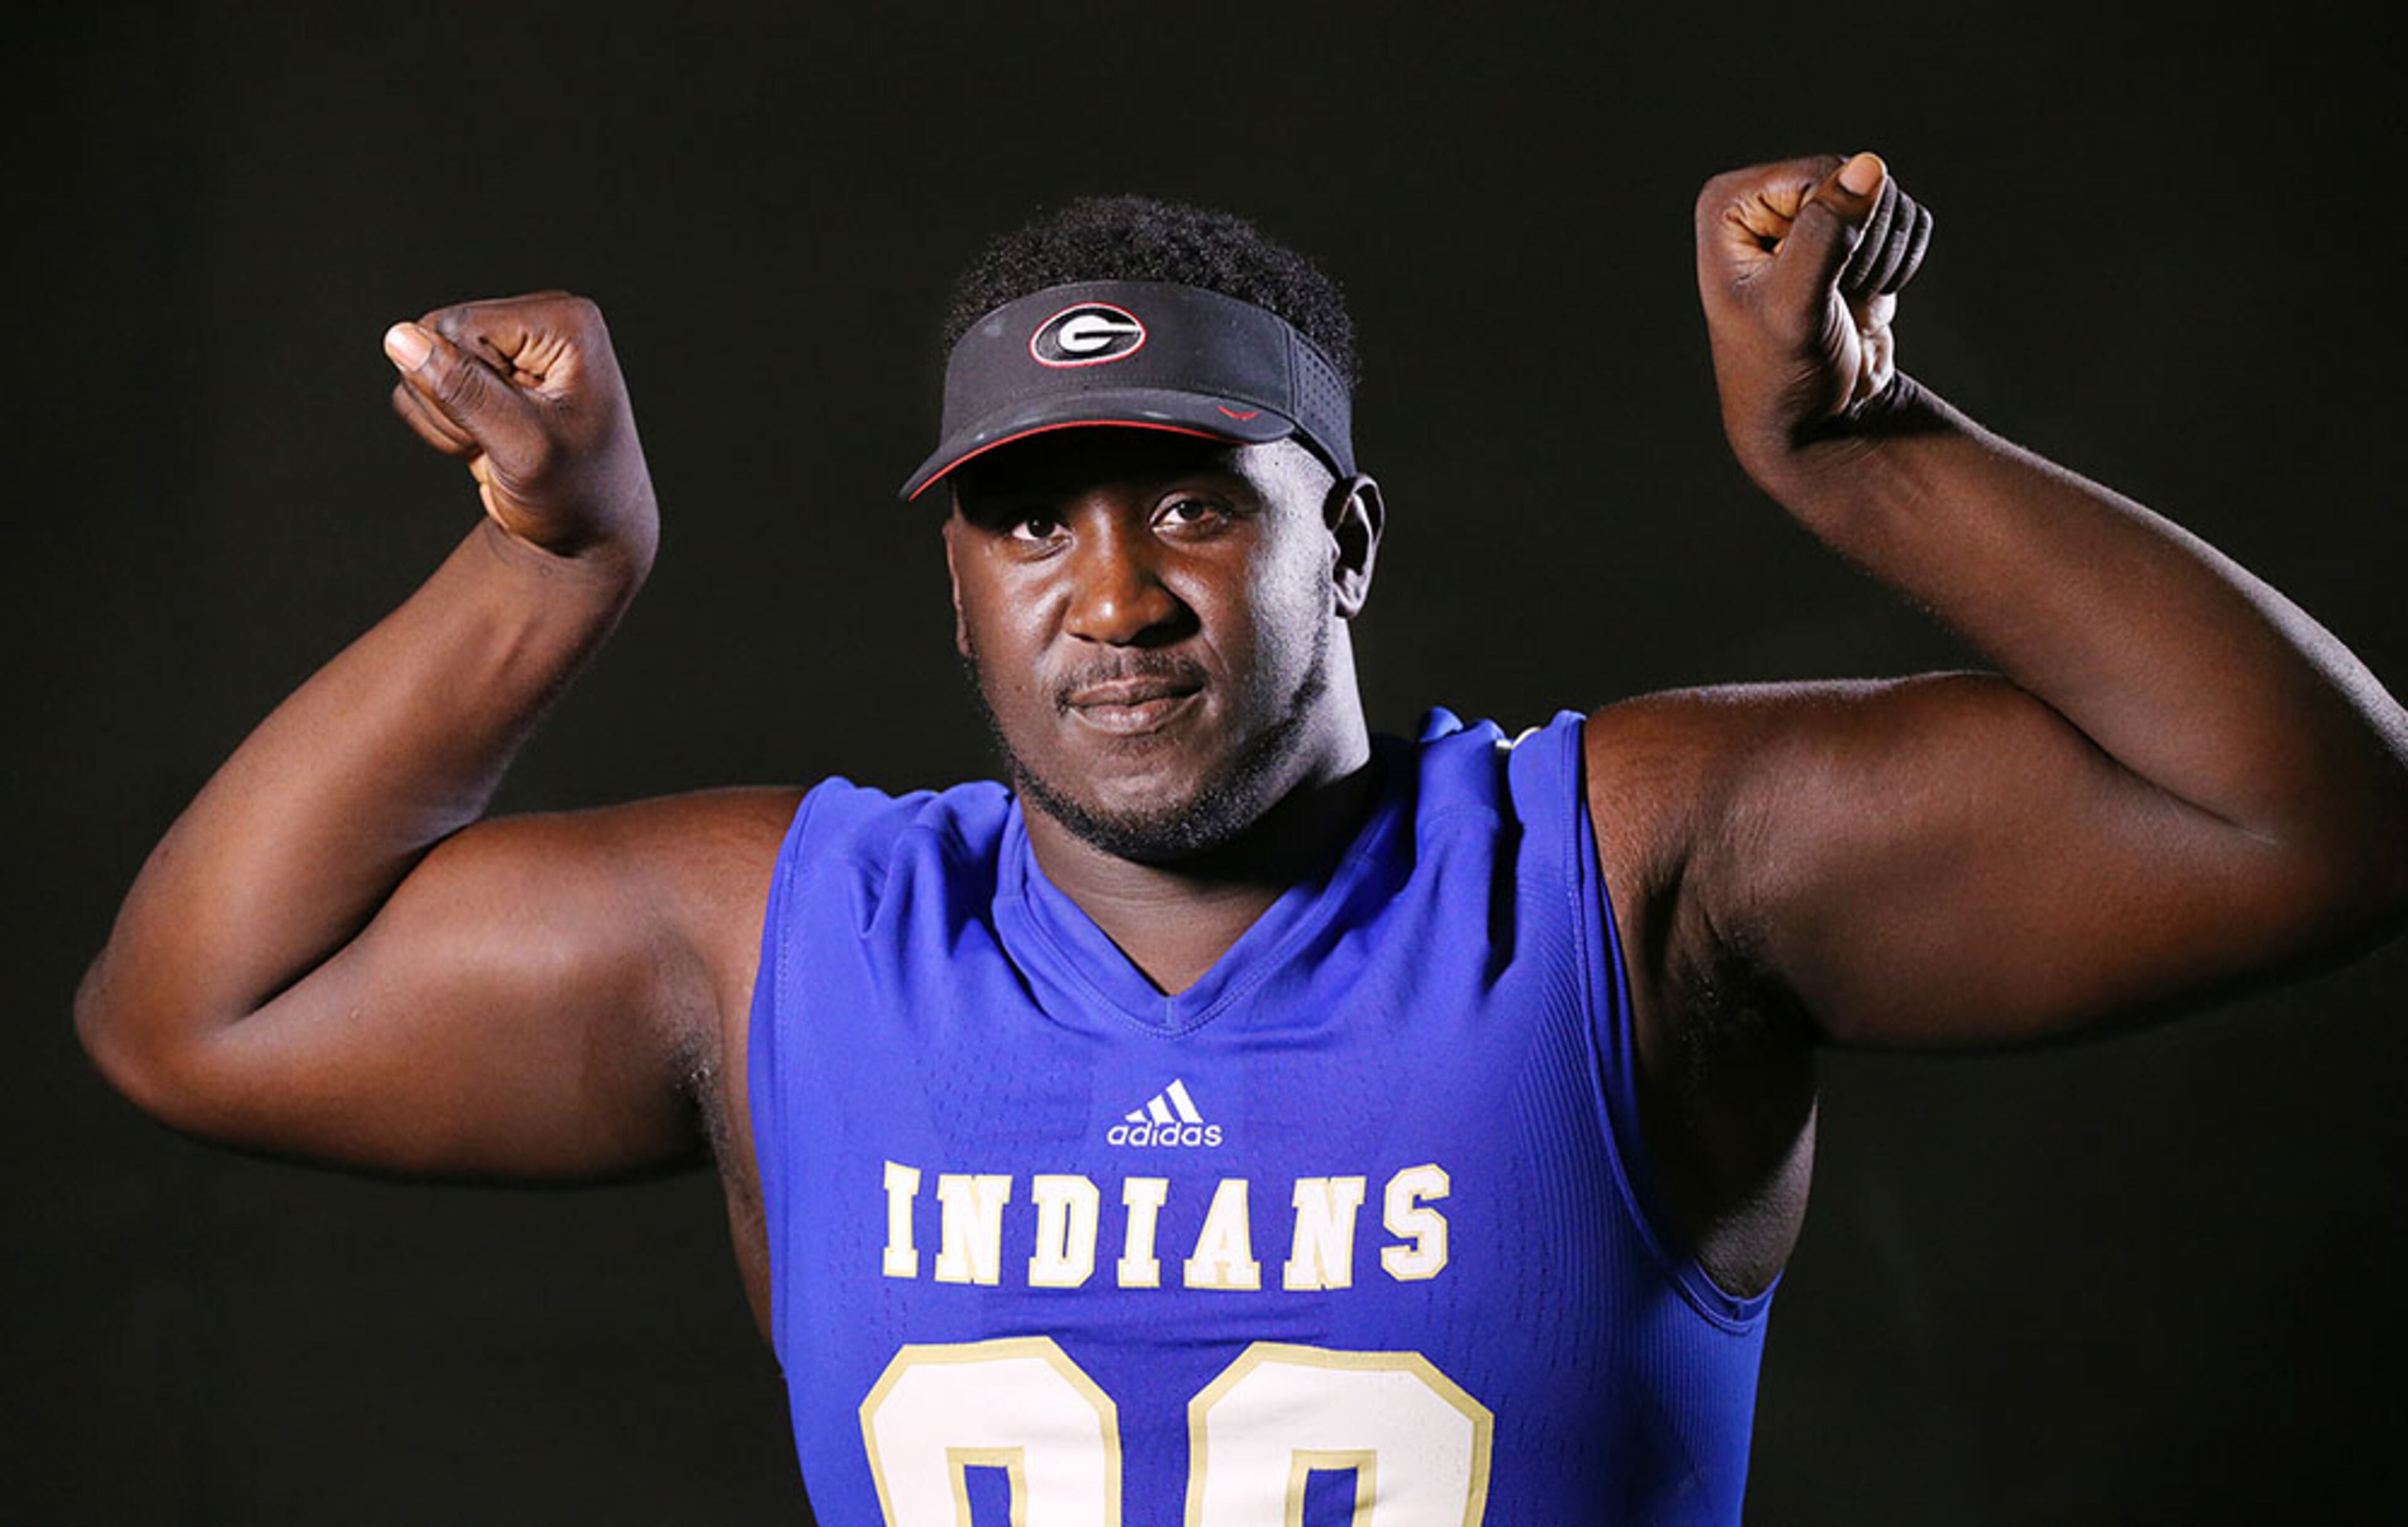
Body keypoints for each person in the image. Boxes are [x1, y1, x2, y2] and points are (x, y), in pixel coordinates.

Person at [74, 151, 2408, 1524]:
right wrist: (544, 570)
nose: (1116, 597)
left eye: (1201, 502)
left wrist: (1858, 455)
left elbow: (2314, 816)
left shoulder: (1618, 868)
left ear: (1349, 546)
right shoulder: (786, 933)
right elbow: (195, 1009)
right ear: (957, 585)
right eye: (1028, 524)